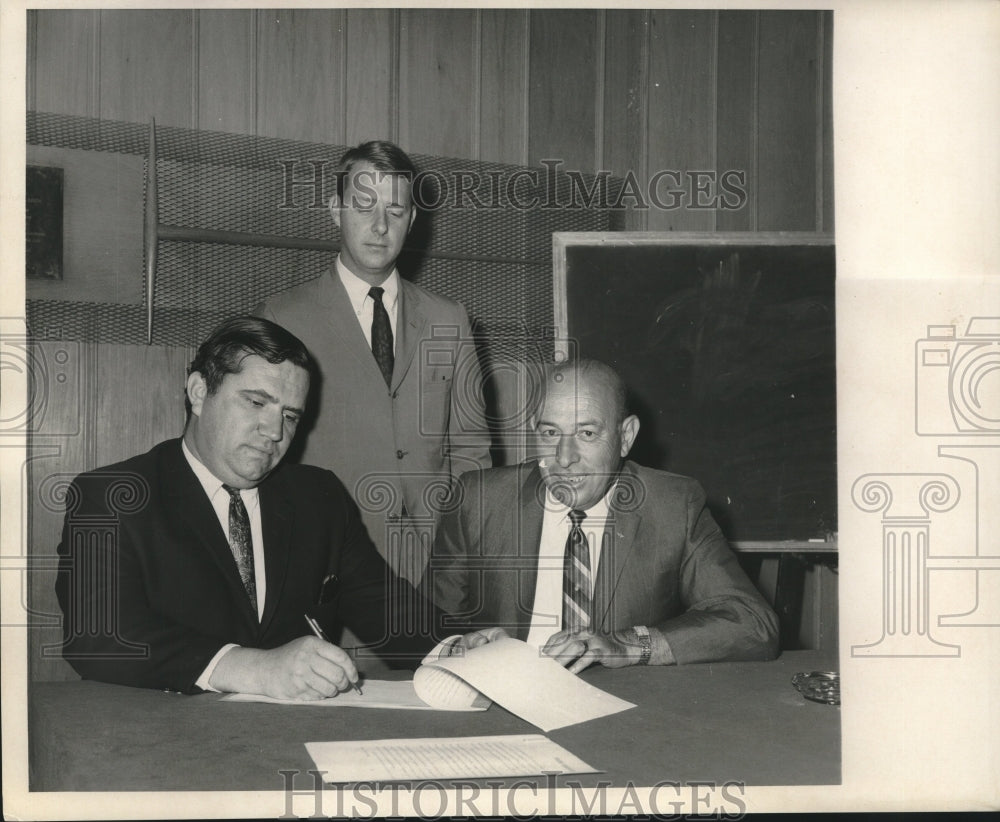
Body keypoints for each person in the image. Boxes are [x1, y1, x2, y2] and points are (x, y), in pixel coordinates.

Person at [54, 317, 486, 697]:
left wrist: (460, 649)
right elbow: (98, 637)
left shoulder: (319, 497)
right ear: (199, 392)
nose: (274, 432)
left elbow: (382, 606)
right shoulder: (110, 495)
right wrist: (257, 668)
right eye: (256, 403)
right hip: (159, 741)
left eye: (291, 416)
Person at [422, 358, 780, 673]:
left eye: (587, 433)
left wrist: (631, 646)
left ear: (626, 437)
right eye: (550, 433)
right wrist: (455, 646)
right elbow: (424, 624)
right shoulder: (478, 499)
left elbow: (752, 622)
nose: (564, 457)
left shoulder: (674, 505)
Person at [255, 140, 491, 587]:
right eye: (363, 206)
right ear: (334, 209)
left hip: (433, 575)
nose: (380, 225)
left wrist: (451, 552)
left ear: (412, 221)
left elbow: (472, 452)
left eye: (395, 211)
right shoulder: (283, 318)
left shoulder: (450, 319)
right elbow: (266, 454)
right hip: (324, 573)